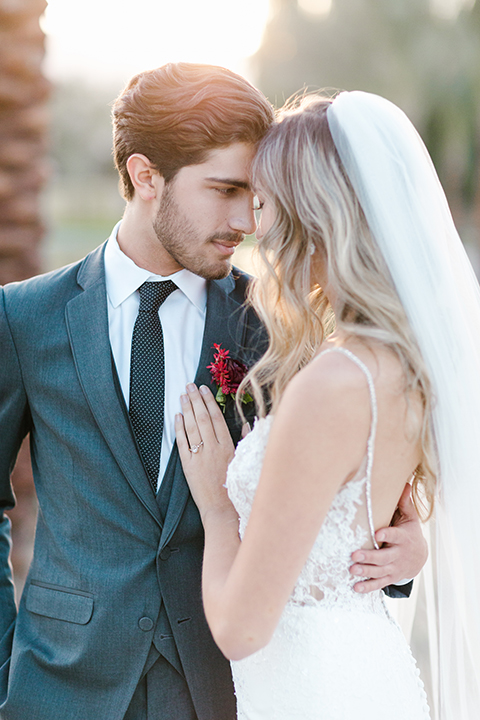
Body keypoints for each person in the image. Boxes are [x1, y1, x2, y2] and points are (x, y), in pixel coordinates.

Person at [0, 65, 425, 720]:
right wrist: (6, 670)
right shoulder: (25, 317)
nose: (245, 221)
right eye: (223, 190)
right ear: (146, 177)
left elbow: (349, 490)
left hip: (219, 690)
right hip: (58, 688)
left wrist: (403, 553)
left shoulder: (278, 325)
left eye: (252, 195)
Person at [176, 90, 480, 719]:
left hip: (316, 691)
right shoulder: (402, 363)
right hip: (357, 668)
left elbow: (240, 629)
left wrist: (215, 504)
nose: (254, 224)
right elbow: (367, 506)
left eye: (263, 203)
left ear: (309, 216)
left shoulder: (336, 380)